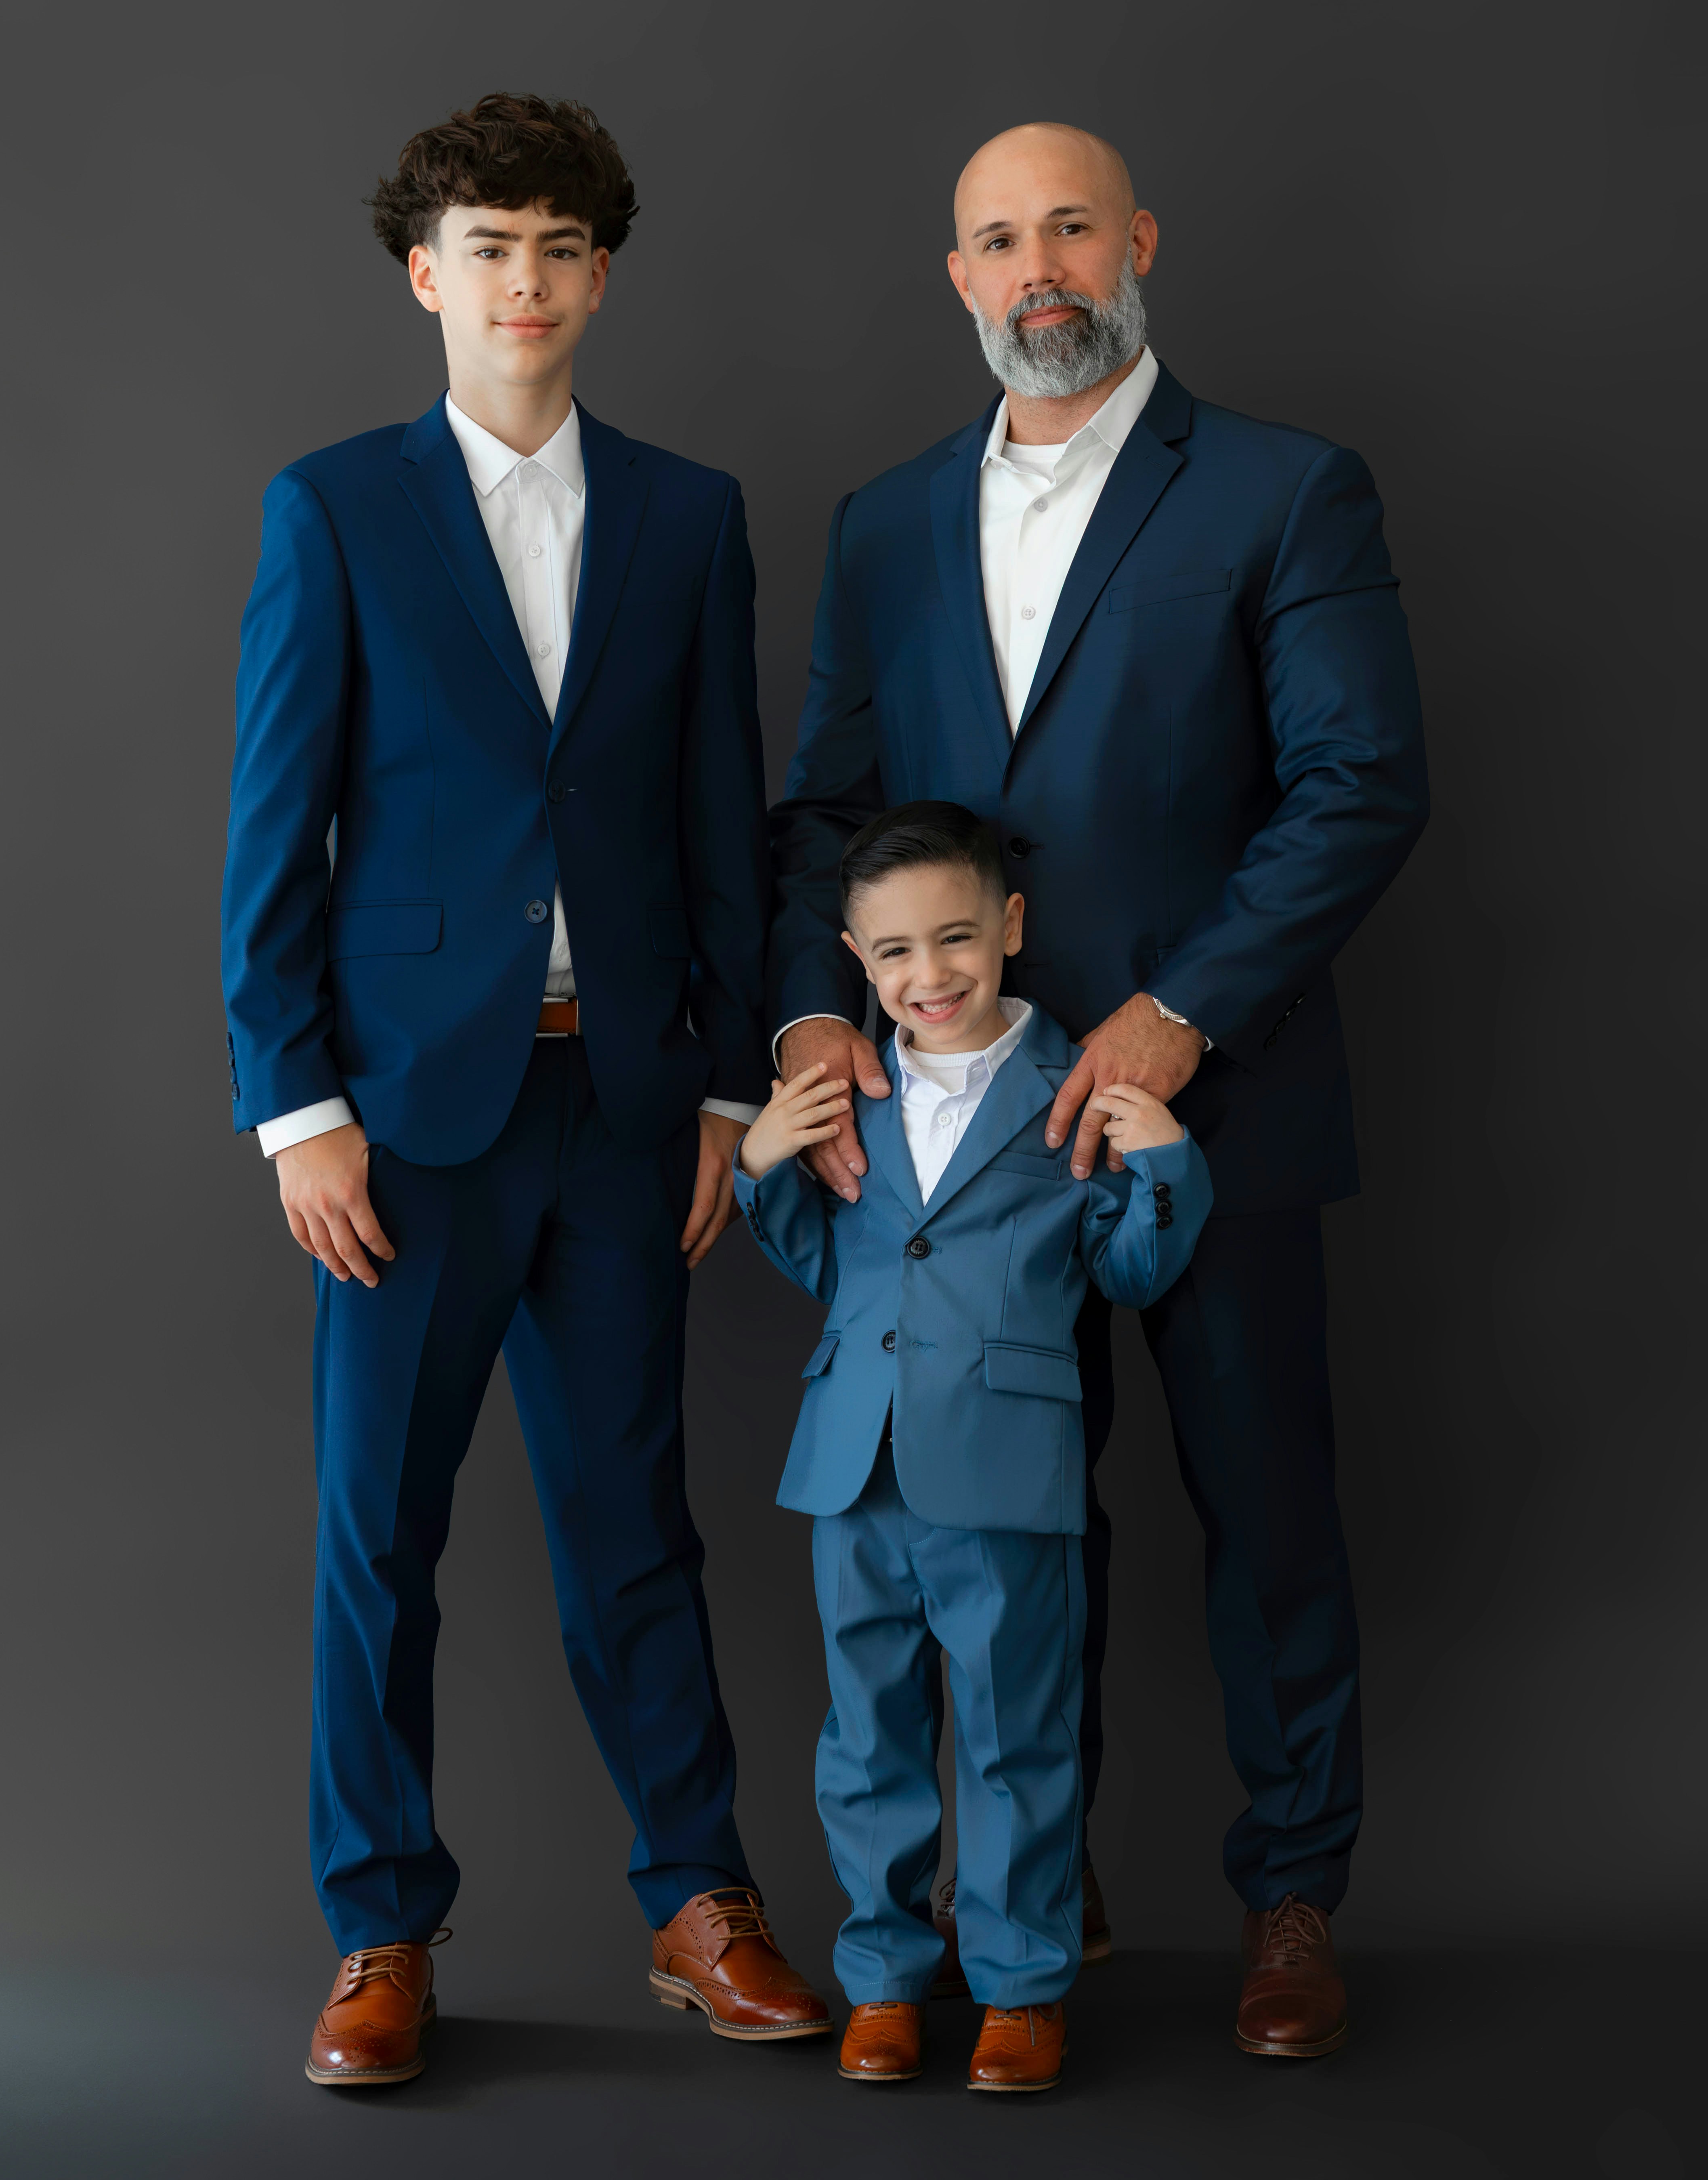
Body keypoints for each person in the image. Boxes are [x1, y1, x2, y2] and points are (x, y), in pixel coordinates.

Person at [766, 122, 1428, 2057]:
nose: (1037, 266)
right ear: (958, 277)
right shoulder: (886, 522)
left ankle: (1293, 1896)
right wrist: (811, 1033)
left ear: (1138, 242)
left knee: (1266, 1520)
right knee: (1006, 1538)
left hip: (1208, 1108)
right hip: (949, 1149)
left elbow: (1361, 783)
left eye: (1070, 226)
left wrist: (1180, 1015)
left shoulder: (1287, 488)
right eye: (998, 239)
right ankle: (1035, 1904)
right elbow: (823, 814)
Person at [220, 92, 829, 2087]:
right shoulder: (335, 509)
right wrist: (298, 1107)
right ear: (428, 275)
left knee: (634, 1522)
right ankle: (380, 1926)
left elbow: (720, 820)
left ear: (601, 276)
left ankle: (699, 1899)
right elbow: (275, 832)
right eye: (490, 248)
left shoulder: (688, 514)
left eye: (562, 247)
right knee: (378, 1539)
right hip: (405, 1121)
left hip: (626, 1108)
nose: (528, 282)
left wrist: (726, 1092)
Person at [735, 803, 1213, 2092]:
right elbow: (832, 1265)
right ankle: (884, 1980)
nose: (928, 975)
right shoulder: (848, 1091)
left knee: (1016, 1738)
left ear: (1010, 926)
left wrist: (1169, 1170)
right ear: (855, 957)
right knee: (868, 1739)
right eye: (893, 953)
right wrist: (763, 1170)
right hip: (856, 1467)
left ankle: (1021, 1988)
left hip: (1005, 1466)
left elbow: (1127, 1271)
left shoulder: (1073, 1085)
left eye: (955, 939)